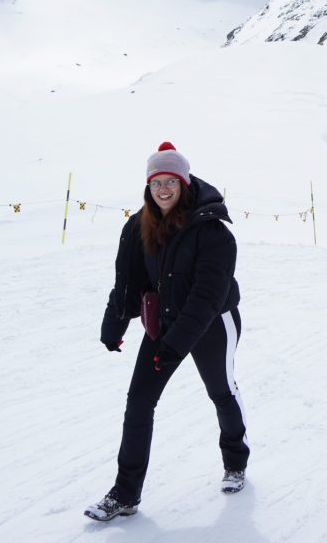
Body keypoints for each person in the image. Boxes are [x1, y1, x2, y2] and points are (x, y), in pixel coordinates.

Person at [85, 141, 249, 522]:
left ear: (184, 183)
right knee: (139, 402)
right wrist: (114, 326)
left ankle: (235, 462)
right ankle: (125, 494)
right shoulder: (137, 225)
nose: (162, 189)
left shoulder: (214, 232)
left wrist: (173, 346)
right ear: (148, 186)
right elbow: (128, 282)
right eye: (156, 181)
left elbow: (207, 298)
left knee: (220, 391)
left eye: (170, 181)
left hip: (212, 324)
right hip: (165, 325)